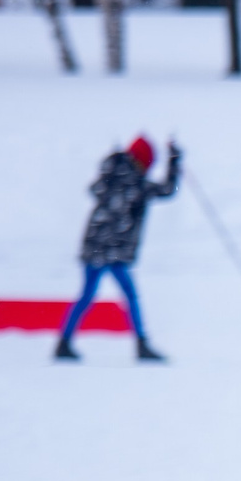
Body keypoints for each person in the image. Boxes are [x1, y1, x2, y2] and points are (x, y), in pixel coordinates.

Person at [56, 135, 179, 364]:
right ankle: (141, 344)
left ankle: (64, 342)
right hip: (111, 252)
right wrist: (174, 162)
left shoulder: (112, 175)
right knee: (127, 296)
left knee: (88, 296)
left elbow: (97, 190)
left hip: (95, 246)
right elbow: (167, 190)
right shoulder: (135, 184)